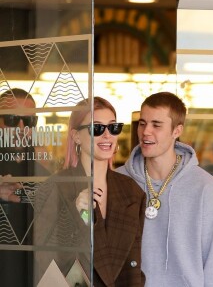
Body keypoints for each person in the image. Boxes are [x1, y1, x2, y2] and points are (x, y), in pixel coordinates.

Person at [116, 91, 213, 287]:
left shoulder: (203, 186)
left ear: (177, 131)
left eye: (156, 125)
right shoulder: (119, 180)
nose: (145, 132)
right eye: (143, 123)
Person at [34, 96, 146, 286]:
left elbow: (133, 265)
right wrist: (78, 218)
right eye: (97, 128)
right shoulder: (56, 186)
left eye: (113, 127)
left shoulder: (131, 191)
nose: (107, 135)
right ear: (76, 136)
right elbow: (44, 257)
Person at [0, 88, 50, 287]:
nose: (21, 127)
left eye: (29, 121)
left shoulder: (42, 167)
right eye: (12, 119)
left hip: (32, 271)